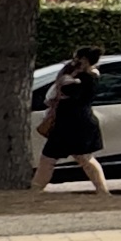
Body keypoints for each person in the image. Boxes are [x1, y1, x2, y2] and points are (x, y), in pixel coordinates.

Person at [33, 47, 110, 201]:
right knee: (52, 159)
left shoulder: (88, 78)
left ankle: (103, 191)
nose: (74, 61)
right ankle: (35, 190)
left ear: (85, 60)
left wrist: (68, 80)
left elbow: (71, 92)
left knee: (81, 158)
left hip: (76, 124)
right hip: (67, 123)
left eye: (77, 58)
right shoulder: (77, 74)